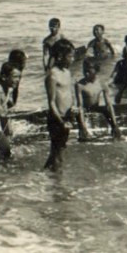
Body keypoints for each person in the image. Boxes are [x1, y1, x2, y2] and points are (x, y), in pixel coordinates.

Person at [42, 40, 77, 171]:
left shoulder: (67, 72)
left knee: (58, 150)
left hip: (67, 117)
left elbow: (68, 94)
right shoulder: (52, 75)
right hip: (57, 119)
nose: (72, 59)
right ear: (60, 56)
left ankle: (46, 176)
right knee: (58, 152)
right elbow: (51, 102)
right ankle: (57, 183)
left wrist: (73, 108)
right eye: (70, 56)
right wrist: (61, 121)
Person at [75, 57, 124, 142]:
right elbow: (80, 105)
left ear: (96, 70)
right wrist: (83, 126)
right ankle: (83, 132)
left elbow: (109, 104)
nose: (86, 74)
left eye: (89, 71)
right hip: (85, 109)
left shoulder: (102, 83)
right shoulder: (80, 85)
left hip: (95, 107)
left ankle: (115, 129)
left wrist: (115, 124)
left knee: (107, 109)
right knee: (79, 110)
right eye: (84, 71)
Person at [0, 49, 28, 135]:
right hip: (1, 93)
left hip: (6, 92)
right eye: (23, 62)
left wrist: (14, 105)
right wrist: (8, 102)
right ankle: (6, 131)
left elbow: (16, 90)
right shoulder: (9, 69)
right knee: (4, 108)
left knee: (9, 108)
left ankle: (8, 125)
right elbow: (1, 88)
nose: (25, 64)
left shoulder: (18, 71)